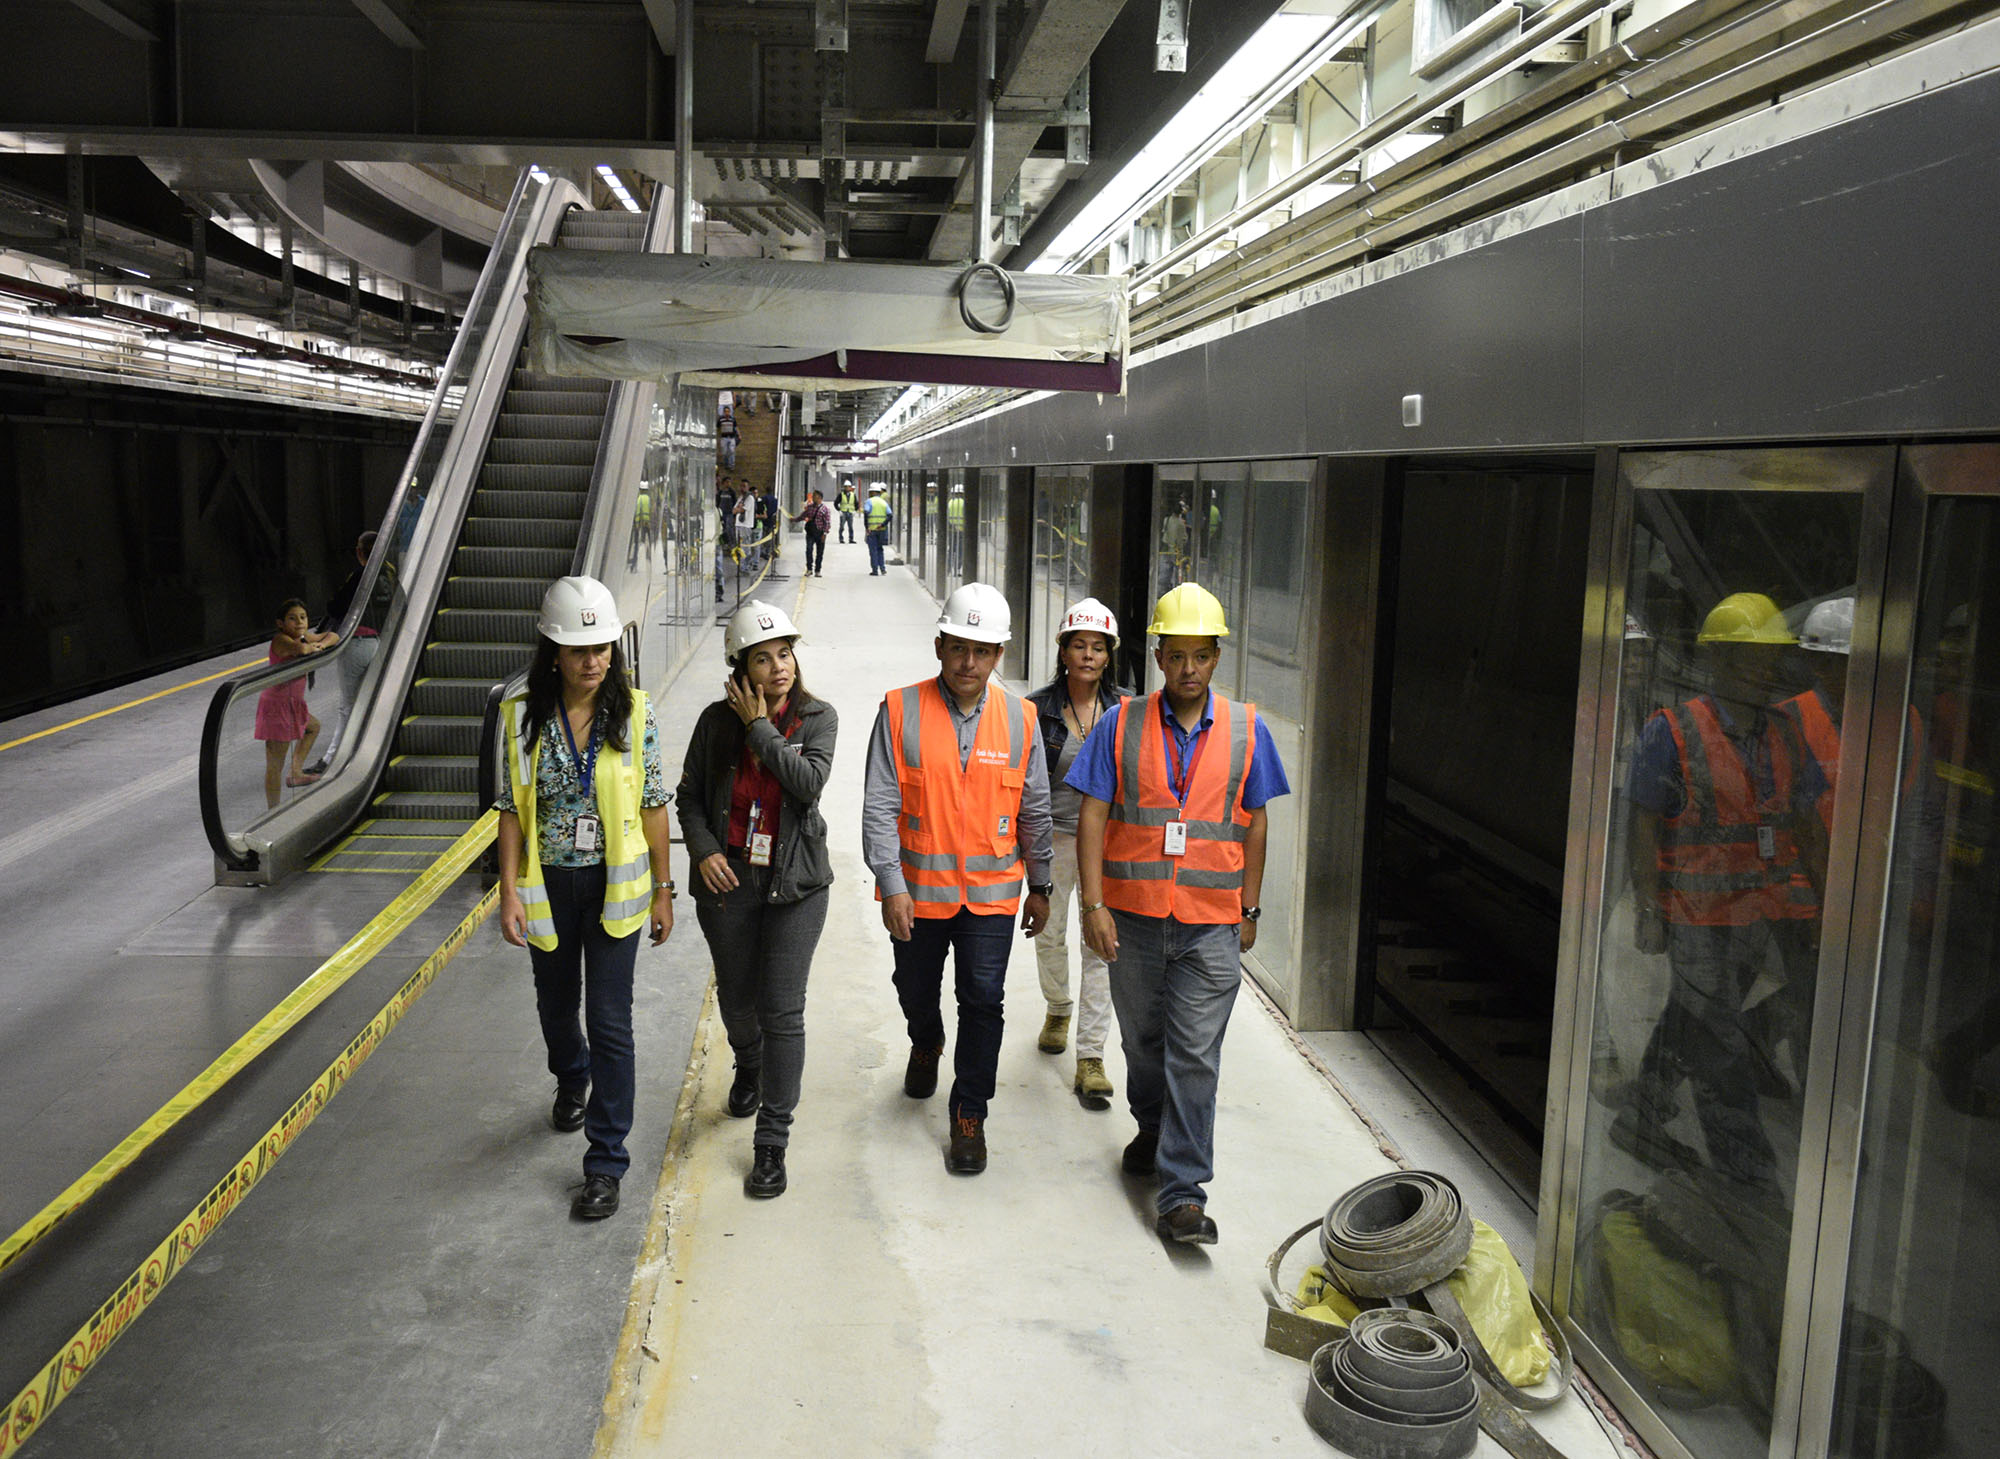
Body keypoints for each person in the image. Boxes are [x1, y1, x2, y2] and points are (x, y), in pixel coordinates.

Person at [1071, 582, 1291, 1245]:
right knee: (1144, 1045)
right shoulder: (1120, 724)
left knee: (1195, 1055)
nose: (1190, 668)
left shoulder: (1249, 730)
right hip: (1133, 921)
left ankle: (1183, 1195)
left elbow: (1255, 824)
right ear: (1159, 656)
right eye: (1178, 655)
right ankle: (1152, 1126)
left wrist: (1249, 906)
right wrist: (1094, 904)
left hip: (1210, 923)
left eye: (1202, 655)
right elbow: (1093, 814)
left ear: (1216, 658)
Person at [1617, 591, 1828, 1192]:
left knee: (1697, 1016)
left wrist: (1824, 901)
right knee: (1721, 1040)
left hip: (1758, 912)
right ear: (1719, 661)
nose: (1765, 672)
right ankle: (1748, 1171)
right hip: (1695, 911)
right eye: (1750, 659)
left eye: (1770, 660)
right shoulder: (1675, 731)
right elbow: (1643, 823)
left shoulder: (1784, 733)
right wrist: (1650, 907)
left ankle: (1642, 1111)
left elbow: (1807, 822)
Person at [496, 576, 676, 1221]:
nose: (593, 660)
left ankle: (605, 1161)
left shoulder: (634, 712)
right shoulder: (520, 717)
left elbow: (654, 804)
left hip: (614, 888)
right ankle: (571, 1078)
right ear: (552, 652)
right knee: (555, 1007)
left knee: (610, 1020)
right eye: (579, 650)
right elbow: (511, 811)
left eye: (602, 647)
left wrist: (662, 887)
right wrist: (509, 891)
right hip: (548, 887)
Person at [862, 583, 1054, 1174]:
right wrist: (892, 884)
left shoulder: (1022, 719)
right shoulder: (899, 710)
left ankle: (969, 1111)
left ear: (999, 656)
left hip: (993, 895)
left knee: (983, 1001)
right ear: (940, 644)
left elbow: (1036, 807)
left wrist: (1041, 884)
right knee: (914, 988)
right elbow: (879, 804)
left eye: (984, 651)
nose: (969, 663)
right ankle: (926, 1039)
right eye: (959, 648)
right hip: (918, 894)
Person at [679, 600, 837, 1199]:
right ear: (739, 668)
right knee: (739, 1003)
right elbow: (689, 796)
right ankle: (748, 1062)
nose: (779, 668)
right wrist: (703, 851)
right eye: (764, 658)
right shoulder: (713, 722)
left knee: (782, 1010)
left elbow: (807, 783)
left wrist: (760, 727)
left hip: (796, 886)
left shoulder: (819, 718)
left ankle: (772, 1142)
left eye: (786, 653)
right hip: (729, 883)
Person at [1026, 597, 1133, 1110]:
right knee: (1049, 936)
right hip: (1052, 840)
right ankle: (1058, 1007)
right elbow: (1026, 786)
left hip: (1107, 845)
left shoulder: (1127, 711)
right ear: (1063, 650)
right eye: (1079, 645)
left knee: (1101, 945)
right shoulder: (1036, 709)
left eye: (1098, 647)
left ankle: (1091, 1056)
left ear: (1109, 655)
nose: (1088, 655)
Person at [309, 531, 393, 773]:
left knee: (348, 705)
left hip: (355, 645)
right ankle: (373, 754)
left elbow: (335, 606)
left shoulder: (360, 576)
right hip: (378, 643)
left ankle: (331, 760)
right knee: (372, 699)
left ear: (359, 552)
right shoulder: (388, 574)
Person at [255, 597, 338, 807]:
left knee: (313, 727)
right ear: (280, 624)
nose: (299, 622)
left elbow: (333, 635)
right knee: (275, 763)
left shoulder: (302, 636)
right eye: (292, 618)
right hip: (278, 706)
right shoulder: (281, 640)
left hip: (293, 703)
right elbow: (300, 650)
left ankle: (296, 772)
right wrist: (311, 645)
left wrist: (319, 643)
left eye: (303, 617)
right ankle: (273, 809)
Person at [791, 489, 831, 577]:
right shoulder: (809, 507)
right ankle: (809, 569)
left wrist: (824, 534)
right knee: (809, 550)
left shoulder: (825, 509)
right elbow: (803, 516)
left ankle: (818, 570)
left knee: (820, 553)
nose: (812, 498)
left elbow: (827, 523)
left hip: (820, 534)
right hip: (810, 533)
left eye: (814, 496)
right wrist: (794, 520)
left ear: (819, 498)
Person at [864, 483, 893, 576]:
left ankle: (875, 570)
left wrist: (866, 527)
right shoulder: (883, 502)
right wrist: (883, 524)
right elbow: (890, 515)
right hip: (882, 530)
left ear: (872, 492)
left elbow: (866, 513)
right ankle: (883, 568)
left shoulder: (869, 501)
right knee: (880, 549)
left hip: (872, 530)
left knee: (873, 550)